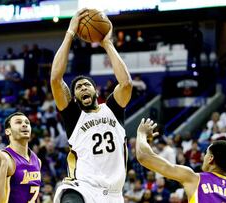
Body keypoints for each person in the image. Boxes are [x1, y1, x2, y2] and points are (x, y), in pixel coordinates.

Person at [51, 8, 133, 203]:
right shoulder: (73, 116)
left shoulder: (112, 108)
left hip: (114, 194)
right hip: (84, 187)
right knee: (67, 196)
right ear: (75, 96)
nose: (83, 88)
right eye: (78, 87)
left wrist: (107, 43)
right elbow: (55, 78)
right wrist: (70, 33)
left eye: (87, 85)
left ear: (95, 91)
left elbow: (126, 84)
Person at [136, 118, 226, 203]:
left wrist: (141, 133)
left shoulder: (194, 178)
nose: (203, 157)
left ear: (211, 159)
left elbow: (144, 157)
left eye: (206, 154)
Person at [0, 112, 41, 203]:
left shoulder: (37, 160)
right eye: (18, 122)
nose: (24, 125)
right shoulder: (2, 158)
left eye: (27, 123)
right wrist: (4, 164)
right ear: (8, 131)